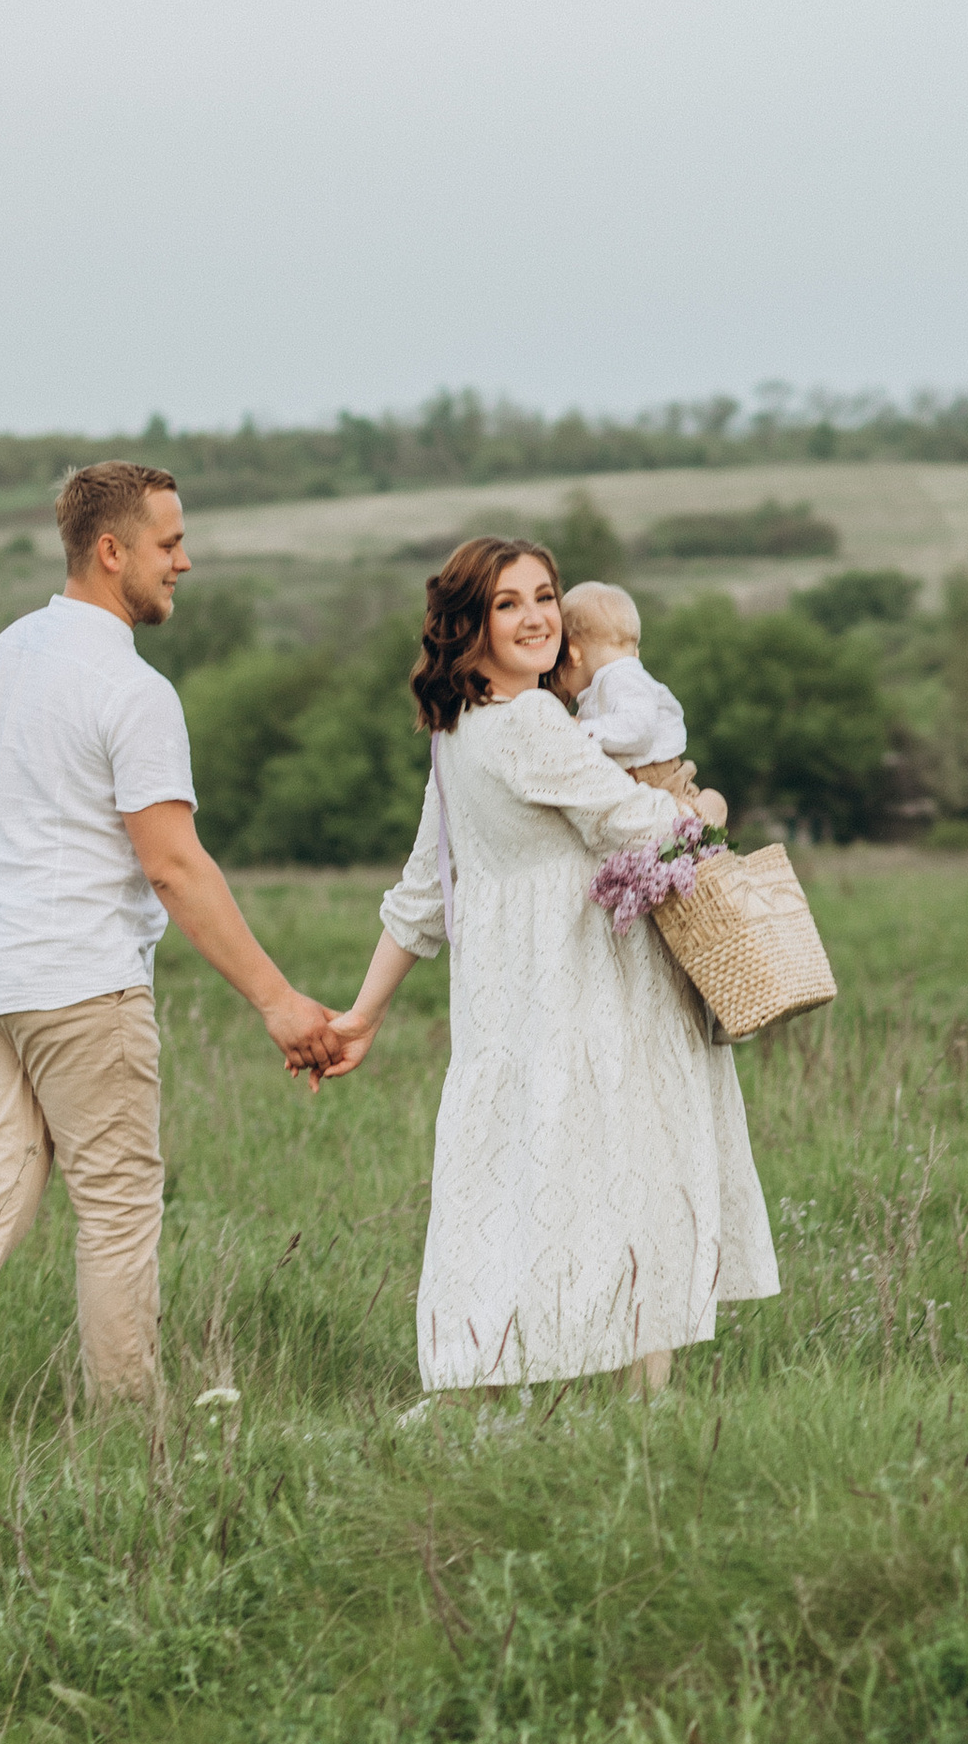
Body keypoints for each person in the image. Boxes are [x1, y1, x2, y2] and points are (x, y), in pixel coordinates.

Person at [0, 461, 334, 1469]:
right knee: (116, 1212)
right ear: (110, 551)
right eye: (169, 543)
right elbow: (173, 867)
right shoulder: (132, 689)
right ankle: (129, 1445)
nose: (184, 562)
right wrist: (279, 1001)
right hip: (80, 984)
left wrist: (5, 918)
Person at [321, 534, 777, 1399]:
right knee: (634, 1174)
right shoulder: (530, 722)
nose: (535, 617)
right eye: (508, 603)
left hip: (510, 998)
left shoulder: (460, 731)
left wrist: (362, 1015)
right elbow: (638, 823)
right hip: (587, 988)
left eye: (545, 597)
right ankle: (626, 1397)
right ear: (470, 625)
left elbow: (423, 892)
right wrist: (706, 805)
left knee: (532, 1182)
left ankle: (538, 1381)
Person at [556, 580, 704, 798]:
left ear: (572, 654)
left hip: (653, 779)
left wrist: (583, 729)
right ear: (636, 652)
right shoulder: (616, 679)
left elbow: (638, 729)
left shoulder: (622, 677)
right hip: (645, 779)